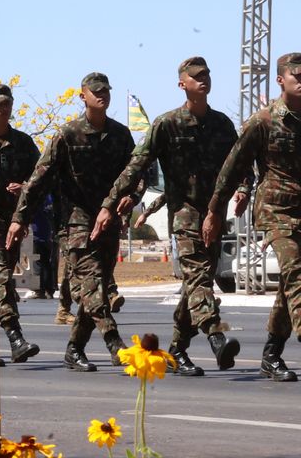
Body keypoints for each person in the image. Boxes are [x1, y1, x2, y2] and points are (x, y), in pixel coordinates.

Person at [100, 57, 240, 376]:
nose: (203, 79)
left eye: (206, 74)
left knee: (194, 286)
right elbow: (136, 165)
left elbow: (238, 164)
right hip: (185, 216)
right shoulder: (167, 124)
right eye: (195, 76)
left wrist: (243, 190)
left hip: (214, 215)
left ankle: (177, 350)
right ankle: (216, 336)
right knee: (199, 277)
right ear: (182, 84)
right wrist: (111, 202)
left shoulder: (222, 125)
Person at [9, 72, 138, 373]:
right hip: (75, 222)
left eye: (106, 90)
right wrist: (20, 218)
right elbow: (38, 180)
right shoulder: (67, 135)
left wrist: (132, 197)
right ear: (83, 97)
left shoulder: (120, 135)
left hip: (108, 223)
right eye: (95, 91)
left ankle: (74, 349)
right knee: (92, 286)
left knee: (97, 289)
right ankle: (115, 344)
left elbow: (136, 172)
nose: (102, 95)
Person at [206, 51, 301, 383]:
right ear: (281, 81)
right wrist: (215, 211)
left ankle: (272, 354)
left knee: (289, 286)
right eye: (297, 78)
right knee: (296, 270)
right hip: (277, 211)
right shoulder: (262, 122)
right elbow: (232, 170)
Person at [0, 84, 42, 363]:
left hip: (11, 224)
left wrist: (24, 188)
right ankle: (15, 337)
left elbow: (41, 181)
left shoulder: (23, 143)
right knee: (1, 279)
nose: (4, 109)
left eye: (8, 104)